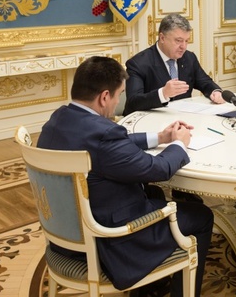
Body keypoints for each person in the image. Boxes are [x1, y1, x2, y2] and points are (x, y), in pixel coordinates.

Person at [37, 56, 214, 296]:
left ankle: (150, 287)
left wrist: (160, 137)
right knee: (202, 216)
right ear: (104, 97)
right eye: (119, 95)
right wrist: (179, 144)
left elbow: (110, 146)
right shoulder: (105, 134)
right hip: (109, 243)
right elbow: (158, 169)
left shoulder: (59, 119)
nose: (117, 102)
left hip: (65, 236)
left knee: (153, 192)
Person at [124, 13, 225, 116]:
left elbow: (205, 82)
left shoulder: (189, 58)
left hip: (183, 118)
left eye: (186, 41)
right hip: (150, 120)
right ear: (162, 38)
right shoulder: (138, 63)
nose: (183, 46)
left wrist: (215, 91)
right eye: (179, 41)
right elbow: (133, 102)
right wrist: (163, 93)